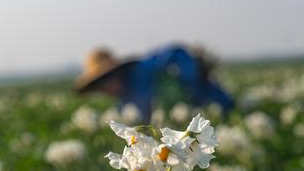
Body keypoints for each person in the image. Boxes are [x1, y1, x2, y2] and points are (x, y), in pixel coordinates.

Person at [74, 43, 235, 122]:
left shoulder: (142, 69)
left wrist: (190, 80)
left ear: (116, 73)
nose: (105, 90)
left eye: (105, 82)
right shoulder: (123, 104)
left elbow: (176, 52)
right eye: (99, 88)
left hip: (207, 102)